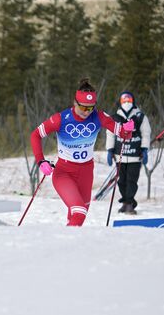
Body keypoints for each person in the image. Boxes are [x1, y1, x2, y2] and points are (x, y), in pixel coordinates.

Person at [30, 78, 134, 226]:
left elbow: (124, 135)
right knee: (79, 211)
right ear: (75, 103)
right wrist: (41, 161)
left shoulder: (98, 116)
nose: (87, 112)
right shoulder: (61, 119)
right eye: (83, 107)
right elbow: (35, 135)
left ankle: (67, 245)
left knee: (77, 217)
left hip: (86, 173)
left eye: (90, 108)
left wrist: (128, 130)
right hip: (64, 172)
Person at [105, 91, 151, 215]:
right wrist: (110, 150)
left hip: (135, 156)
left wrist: (144, 149)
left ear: (133, 101)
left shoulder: (140, 117)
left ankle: (130, 203)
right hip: (120, 155)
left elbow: (146, 134)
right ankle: (125, 203)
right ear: (120, 102)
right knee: (121, 181)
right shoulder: (115, 118)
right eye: (124, 101)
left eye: (129, 100)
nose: (126, 103)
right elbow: (110, 134)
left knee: (132, 181)